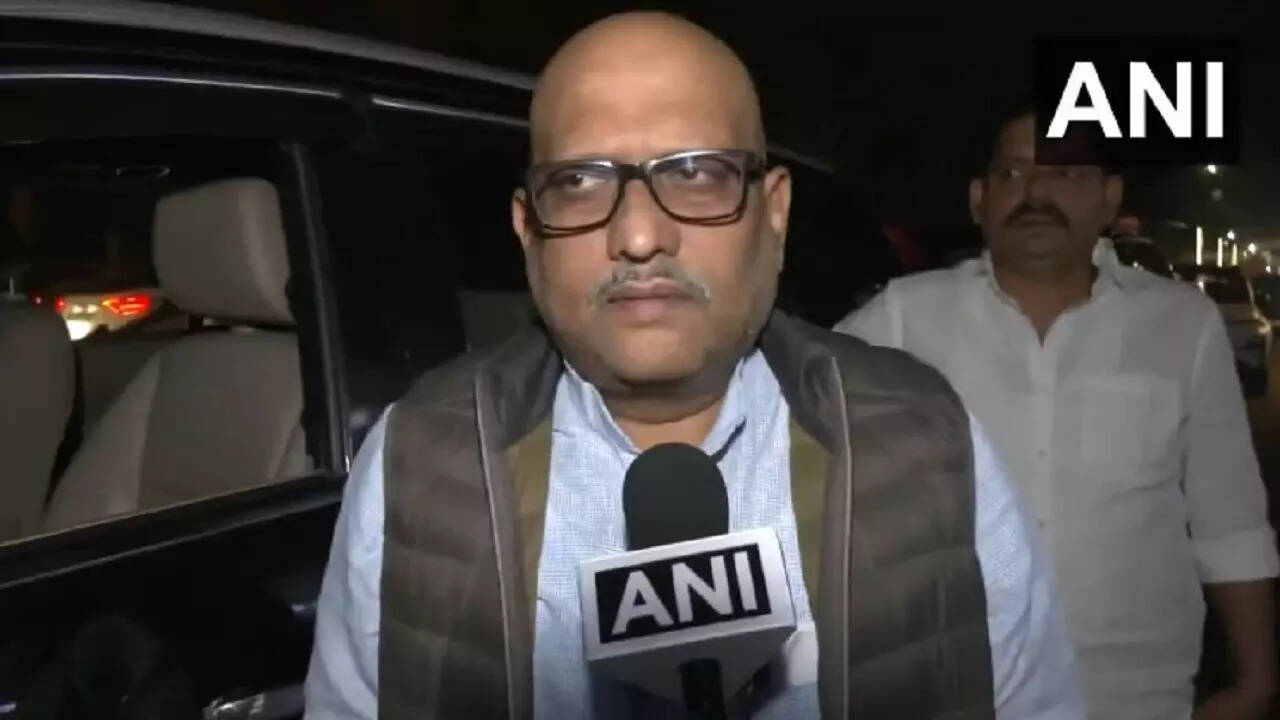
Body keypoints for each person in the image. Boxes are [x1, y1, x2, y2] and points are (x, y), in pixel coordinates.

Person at [305, 14, 1083, 719]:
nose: (640, 236)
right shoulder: (417, 464)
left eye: (696, 173)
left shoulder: (928, 446)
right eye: (580, 182)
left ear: (774, 212)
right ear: (527, 229)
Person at [836, 107, 1279, 720]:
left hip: (1131, 698)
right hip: (956, 693)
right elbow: (791, 420)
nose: (1035, 193)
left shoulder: (1182, 325)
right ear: (979, 200)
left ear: (1109, 198)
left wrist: (1256, 681)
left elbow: (1228, 519)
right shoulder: (904, 318)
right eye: (1012, 174)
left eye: (1065, 173)